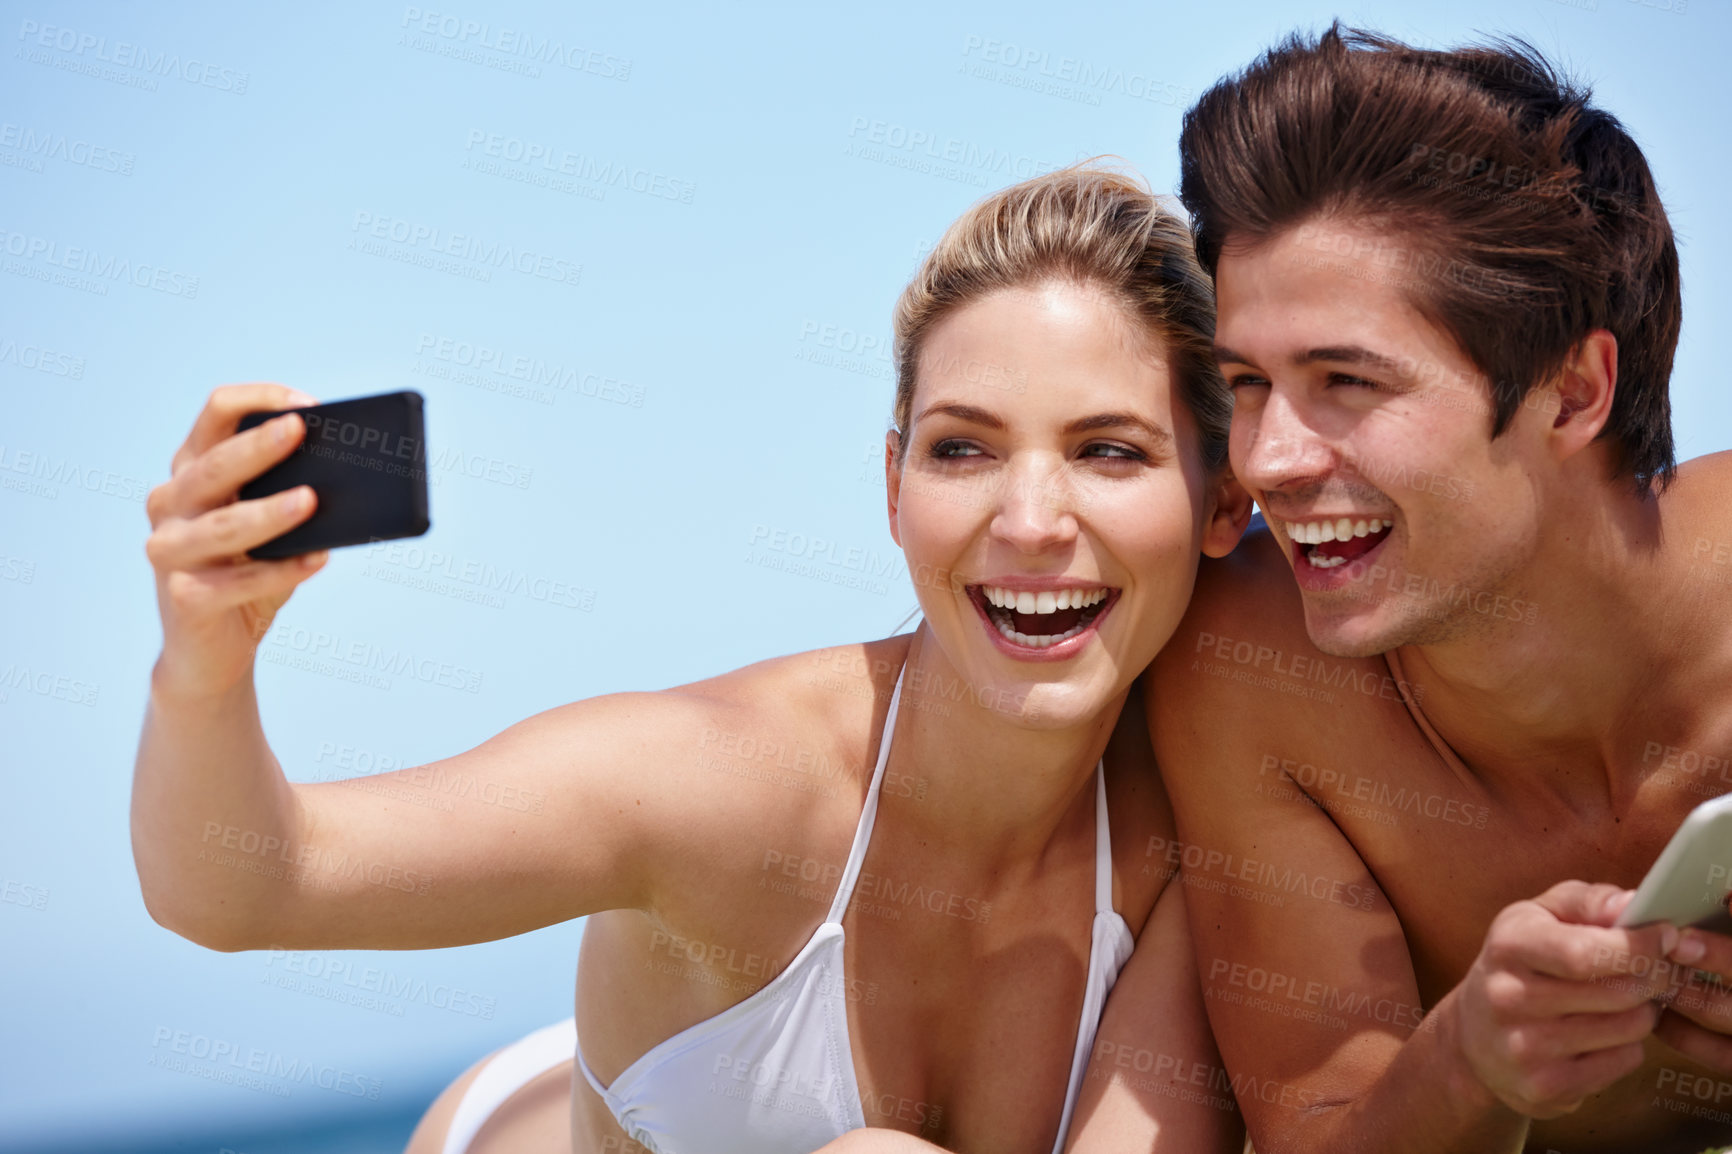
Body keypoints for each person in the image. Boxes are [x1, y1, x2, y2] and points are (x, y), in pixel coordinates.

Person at [132, 164, 1253, 1154]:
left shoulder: (1207, 806)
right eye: (961, 447)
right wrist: (203, 668)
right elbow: (243, 885)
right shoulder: (727, 783)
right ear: (892, 487)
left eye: (1110, 450)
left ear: (1222, 500)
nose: (1029, 519)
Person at [1124, 24, 1732, 1154]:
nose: (1267, 462)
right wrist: (1465, 1061)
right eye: (1247, 384)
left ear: (1571, 390)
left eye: (1345, 380)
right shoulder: (1252, 669)